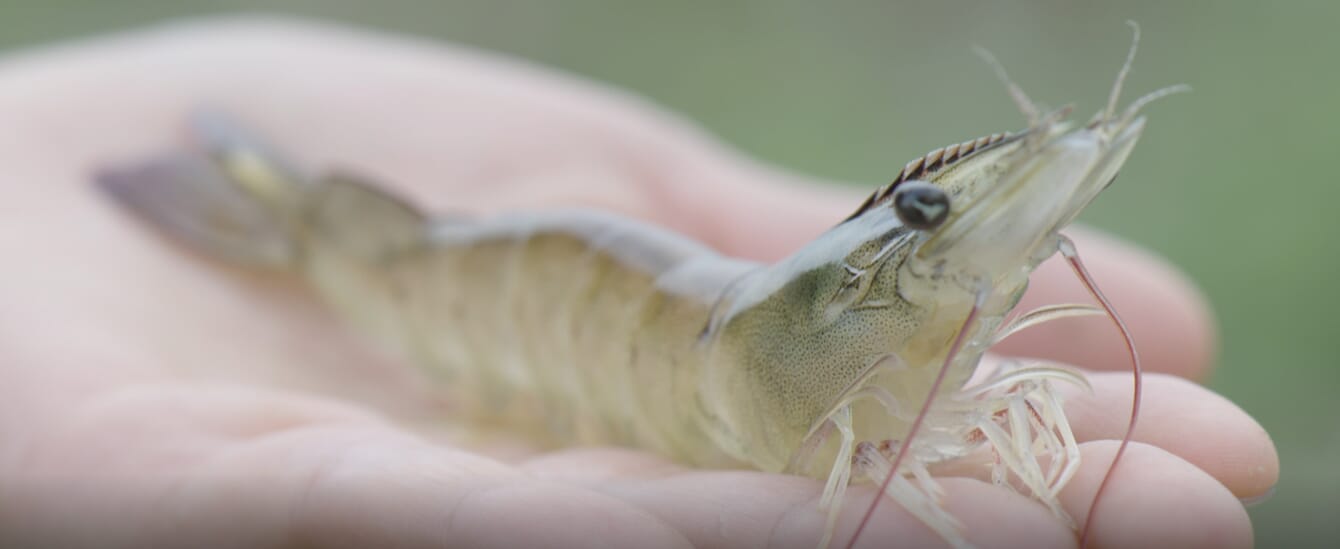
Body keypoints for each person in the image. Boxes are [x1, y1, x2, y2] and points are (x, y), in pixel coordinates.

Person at [0, 18, 1276, 548]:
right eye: (921, 211)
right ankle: (293, 221)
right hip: (485, 295)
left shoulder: (908, 286)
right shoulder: (818, 316)